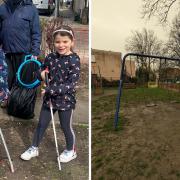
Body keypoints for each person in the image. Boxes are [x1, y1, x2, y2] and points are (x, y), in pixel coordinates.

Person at [20, 25, 81, 163]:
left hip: (66, 100)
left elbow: (71, 85)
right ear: (53, 43)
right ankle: (34, 148)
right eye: (58, 42)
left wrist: (50, 90)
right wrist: (41, 74)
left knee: (66, 127)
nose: (61, 45)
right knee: (41, 124)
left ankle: (71, 150)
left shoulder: (74, 60)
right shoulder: (50, 57)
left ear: (72, 42)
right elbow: (40, 70)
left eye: (65, 41)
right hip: (50, 100)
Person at [0, 0, 41, 91]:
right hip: (7, 54)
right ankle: (10, 102)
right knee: (7, 80)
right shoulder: (2, 8)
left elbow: (36, 33)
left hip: (25, 54)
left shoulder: (31, 9)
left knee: (23, 82)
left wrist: (35, 51)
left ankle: (22, 104)